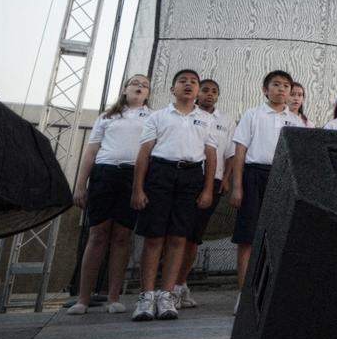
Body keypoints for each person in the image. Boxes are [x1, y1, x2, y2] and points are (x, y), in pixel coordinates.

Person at [130, 69, 217, 321]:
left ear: (198, 90)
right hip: (160, 174)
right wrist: (138, 188)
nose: (188, 85)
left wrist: (208, 189)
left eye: (193, 82)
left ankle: (167, 295)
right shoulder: (158, 117)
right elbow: (144, 152)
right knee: (154, 237)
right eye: (182, 81)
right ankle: (147, 296)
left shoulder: (206, 119)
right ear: (172, 89)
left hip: (191, 178)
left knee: (179, 238)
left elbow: (210, 156)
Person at [67, 74, 152, 315]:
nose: (140, 87)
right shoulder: (107, 117)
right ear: (124, 89)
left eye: (145, 86)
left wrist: (142, 187)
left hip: (133, 176)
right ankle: (82, 298)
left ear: (148, 94)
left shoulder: (153, 118)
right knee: (98, 234)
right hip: (104, 173)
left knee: (123, 235)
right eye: (135, 83)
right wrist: (81, 185)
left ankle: (114, 297)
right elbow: (91, 151)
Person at [231, 70, 301, 309]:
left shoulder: (295, 121)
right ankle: (243, 293)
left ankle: (269, 293)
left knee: (278, 235)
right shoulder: (253, 114)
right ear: (265, 89)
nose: (282, 89)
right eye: (276, 84)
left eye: (286, 86)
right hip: (254, 176)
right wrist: (237, 186)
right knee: (248, 237)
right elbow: (240, 151)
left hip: (282, 178)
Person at [172, 78, 234, 309]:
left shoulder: (225, 120)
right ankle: (171, 287)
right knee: (177, 233)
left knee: (193, 237)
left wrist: (225, 180)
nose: (209, 94)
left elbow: (229, 153)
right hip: (187, 179)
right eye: (206, 90)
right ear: (198, 93)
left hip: (214, 181)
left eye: (214, 91)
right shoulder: (188, 116)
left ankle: (180, 284)